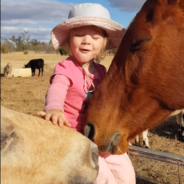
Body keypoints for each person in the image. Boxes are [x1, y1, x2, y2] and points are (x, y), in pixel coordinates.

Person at [37, 3, 136, 184]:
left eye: (95, 37)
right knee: (101, 175)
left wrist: (120, 131)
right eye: (79, 35)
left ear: (103, 43)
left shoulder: (101, 72)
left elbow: (111, 102)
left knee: (124, 168)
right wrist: (54, 108)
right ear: (68, 40)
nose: (86, 41)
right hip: (74, 135)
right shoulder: (65, 68)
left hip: (99, 132)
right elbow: (57, 89)